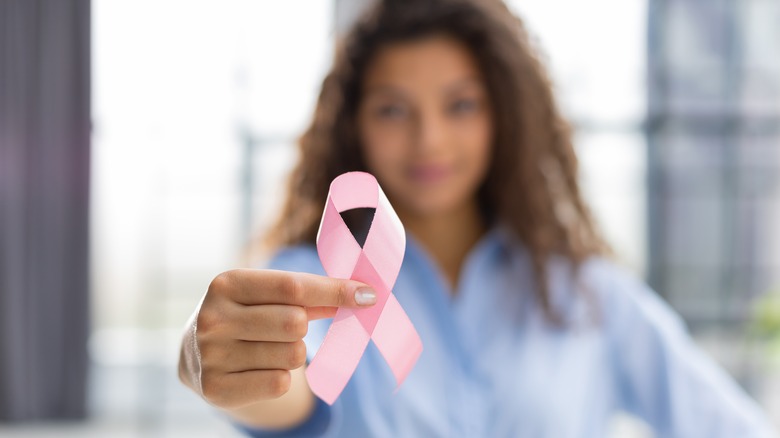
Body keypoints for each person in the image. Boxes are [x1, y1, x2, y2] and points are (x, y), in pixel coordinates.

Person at [178, 0, 776, 436]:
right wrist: (219, 365)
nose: (429, 140)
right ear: (353, 124)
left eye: (461, 104)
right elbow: (290, 398)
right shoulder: (313, 278)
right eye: (393, 110)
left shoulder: (589, 294)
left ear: (504, 115)